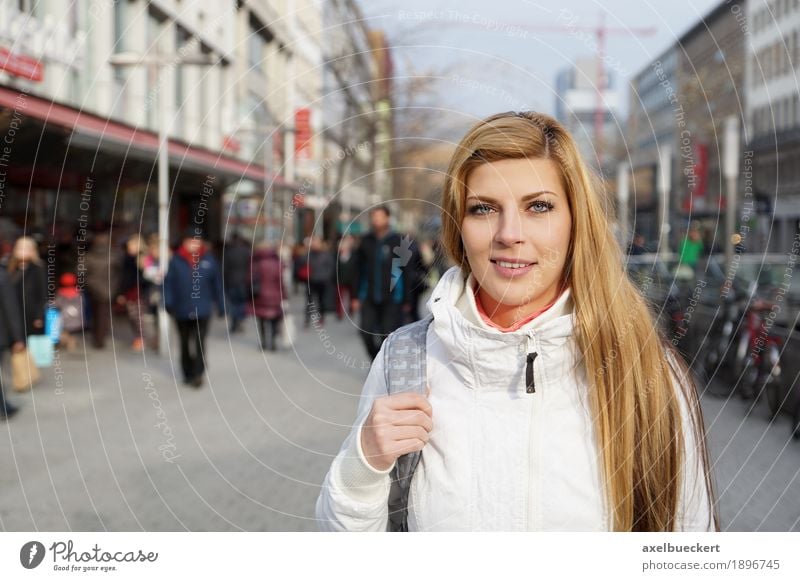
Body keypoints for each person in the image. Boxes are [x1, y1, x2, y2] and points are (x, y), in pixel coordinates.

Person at [316, 111, 718, 532]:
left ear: (575, 223)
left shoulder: (648, 375)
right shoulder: (405, 361)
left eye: (538, 206)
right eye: (484, 208)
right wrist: (362, 466)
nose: (509, 233)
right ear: (459, 227)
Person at [163, 228, 225, 388]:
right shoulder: (176, 260)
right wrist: (168, 302)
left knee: (199, 342)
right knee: (184, 343)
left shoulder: (209, 260)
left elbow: (217, 284)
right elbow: (168, 284)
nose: (193, 244)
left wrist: (221, 305)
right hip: (181, 308)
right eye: (190, 241)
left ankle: (198, 373)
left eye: (196, 241)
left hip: (202, 309)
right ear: (184, 242)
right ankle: (187, 372)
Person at [352, 206, 413, 359]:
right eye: (374, 217)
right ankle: (376, 360)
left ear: (387, 218)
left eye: (379, 216)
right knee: (365, 332)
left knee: (388, 336)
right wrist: (355, 296)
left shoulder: (398, 241)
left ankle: (385, 366)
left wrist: (407, 299)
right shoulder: (366, 241)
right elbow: (357, 270)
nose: (376, 220)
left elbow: (407, 272)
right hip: (369, 296)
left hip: (392, 298)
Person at [84, 232, 121, 350]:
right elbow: (119, 272)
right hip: (109, 288)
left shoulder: (89, 256)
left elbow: (80, 271)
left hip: (93, 288)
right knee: (104, 313)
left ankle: (98, 337)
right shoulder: (114, 256)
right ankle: (101, 336)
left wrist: (88, 282)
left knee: (96, 313)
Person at [248, 243, 287, 351]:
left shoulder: (255, 263)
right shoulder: (278, 263)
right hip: (275, 295)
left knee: (261, 320)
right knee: (274, 319)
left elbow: (249, 280)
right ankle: (273, 342)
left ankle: (264, 342)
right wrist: (284, 296)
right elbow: (282, 282)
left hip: (259, 295)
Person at [7, 236, 47, 338]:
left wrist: (39, 316)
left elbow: (43, 294)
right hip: (14, 312)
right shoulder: (11, 268)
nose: (22, 251)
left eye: (25, 248)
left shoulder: (38, 268)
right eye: (19, 248)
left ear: (32, 250)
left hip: (31, 313)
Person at [0, 267, 25, 420]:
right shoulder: (2, 276)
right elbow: (11, 308)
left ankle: (3, 406)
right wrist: (18, 337)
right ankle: (3, 407)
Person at [116, 234, 149, 351]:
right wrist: (121, 292)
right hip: (129, 291)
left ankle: (141, 338)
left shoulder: (142, 258)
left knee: (137, 316)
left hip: (138, 292)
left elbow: (144, 277)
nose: (130, 247)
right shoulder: (127, 258)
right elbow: (124, 277)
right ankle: (138, 337)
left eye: (132, 245)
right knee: (132, 315)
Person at [222, 234, 251, 334]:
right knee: (242, 302)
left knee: (233, 303)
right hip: (243, 281)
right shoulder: (246, 252)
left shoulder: (228, 252)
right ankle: (240, 320)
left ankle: (234, 322)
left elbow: (224, 269)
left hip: (231, 281)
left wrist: (224, 281)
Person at [305, 237, 334, 327]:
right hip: (311, 281)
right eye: (314, 243)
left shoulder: (326, 255)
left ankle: (321, 317)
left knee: (322, 301)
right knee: (309, 301)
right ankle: (307, 319)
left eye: (317, 243)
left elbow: (331, 267)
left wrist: (326, 277)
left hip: (322, 282)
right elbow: (302, 265)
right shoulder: (308, 255)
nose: (315, 245)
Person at [334, 235, 358, 320]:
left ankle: (351, 311)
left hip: (351, 280)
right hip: (340, 280)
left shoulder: (354, 255)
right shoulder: (337, 256)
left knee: (352, 296)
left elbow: (356, 268)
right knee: (339, 297)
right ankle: (339, 313)